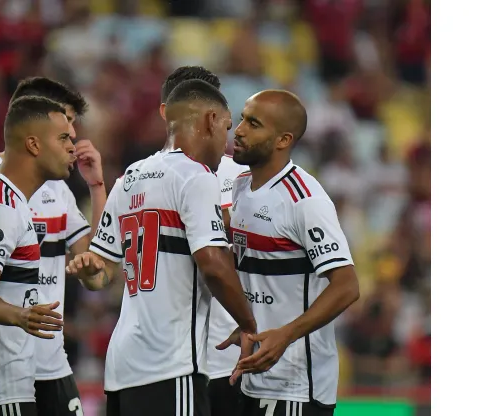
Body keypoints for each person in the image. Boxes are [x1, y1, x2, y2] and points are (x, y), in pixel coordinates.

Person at [66, 80, 257, 416]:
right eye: (227, 127)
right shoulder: (196, 176)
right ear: (211, 119)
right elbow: (212, 262)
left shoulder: (130, 178)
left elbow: (102, 276)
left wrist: (89, 271)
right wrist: (249, 324)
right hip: (171, 365)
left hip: (122, 368)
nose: (226, 140)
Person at [0, 77, 107, 416]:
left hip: (43, 359)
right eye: (64, 128)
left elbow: (97, 273)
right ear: (33, 136)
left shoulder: (54, 190)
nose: (74, 140)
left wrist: (98, 188)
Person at [226, 90, 360, 416]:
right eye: (242, 117)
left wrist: (285, 335)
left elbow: (347, 286)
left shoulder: (305, 200)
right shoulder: (241, 186)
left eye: (253, 123)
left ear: (282, 139)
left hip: (297, 388)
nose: (239, 129)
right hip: (253, 375)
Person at [160, 66, 249, 416]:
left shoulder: (242, 175)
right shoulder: (143, 176)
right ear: (167, 111)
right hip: (174, 357)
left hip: (228, 357)